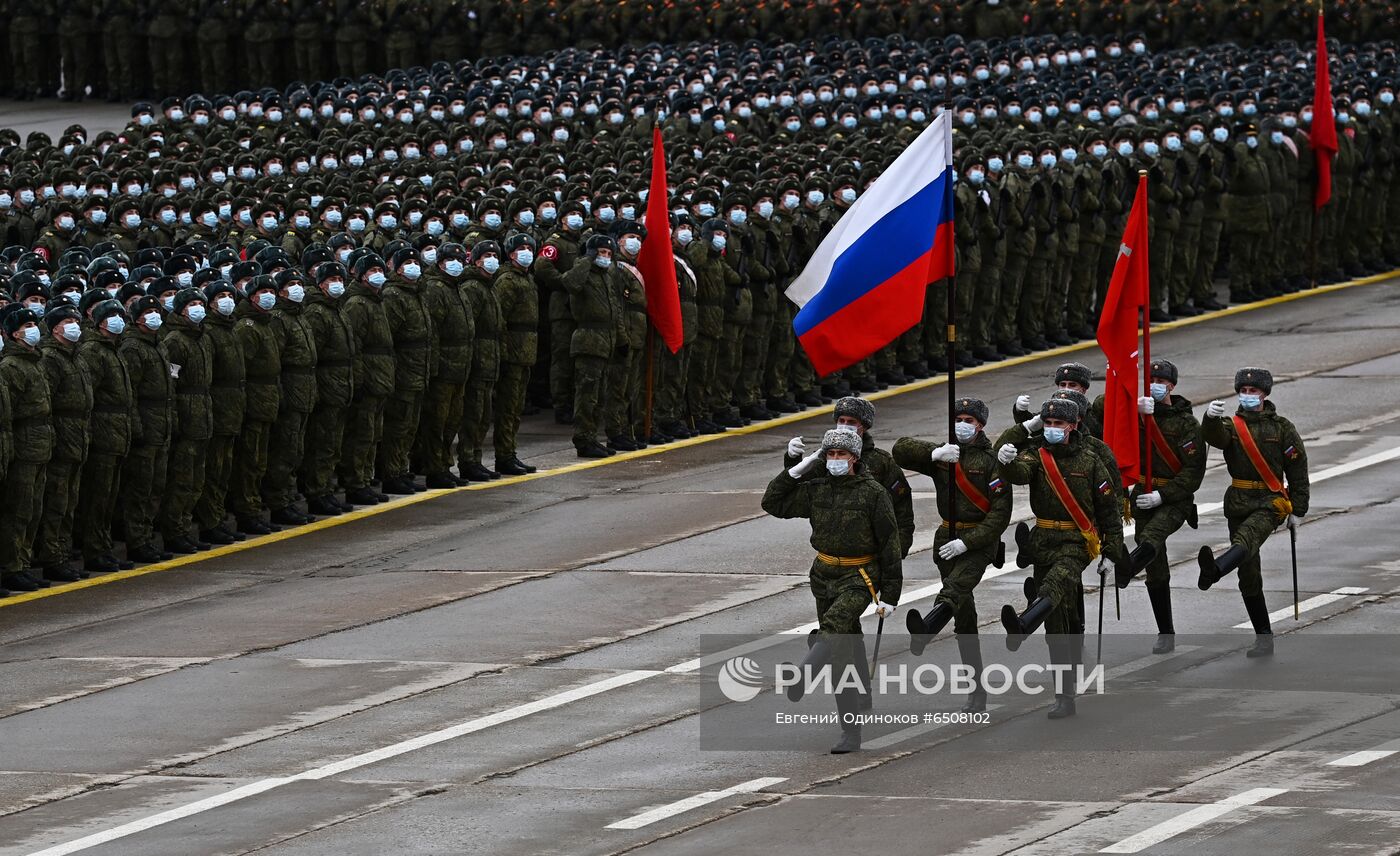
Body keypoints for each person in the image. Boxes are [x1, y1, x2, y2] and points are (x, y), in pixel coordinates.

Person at [762, 428, 902, 754]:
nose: (835, 460)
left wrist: (891, 594)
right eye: (830, 454)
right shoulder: (817, 489)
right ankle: (850, 731)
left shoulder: (872, 493)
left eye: (841, 454)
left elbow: (889, 543)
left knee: (837, 624)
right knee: (843, 654)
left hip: (859, 575)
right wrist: (799, 466)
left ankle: (803, 673)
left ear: (854, 457)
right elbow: (772, 502)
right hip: (824, 575)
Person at [997, 398, 1125, 719]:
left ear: (1073, 426)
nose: (1052, 429)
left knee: (1052, 586)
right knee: (1057, 624)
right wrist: (1006, 459)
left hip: (1076, 541)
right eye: (1048, 424)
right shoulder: (1037, 455)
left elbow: (1109, 511)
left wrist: (1111, 552)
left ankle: (1024, 624)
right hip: (1043, 541)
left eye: (1058, 424)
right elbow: (1018, 471)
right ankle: (1064, 695)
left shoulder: (1091, 459)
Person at [893, 397, 1011, 713]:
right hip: (946, 538)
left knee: (955, 590)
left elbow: (1000, 514)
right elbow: (900, 449)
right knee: (964, 614)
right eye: (958, 418)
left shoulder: (991, 460)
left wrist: (969, 542)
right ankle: (977, 690)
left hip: (978, 542)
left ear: (981, 425)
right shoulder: (946, 455)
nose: (962, 424)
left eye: (969, 420)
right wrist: (934, 454)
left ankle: (927, 628)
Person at [1198, 367, 1310, 658]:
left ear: (1264, 394)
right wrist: (1209, 419)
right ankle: (1263, 636)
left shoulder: (1281, 427)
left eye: (1253, 391)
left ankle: (1216, 569)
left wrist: (1298, 509)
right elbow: (1214, 438)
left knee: (1247, 539)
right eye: (1243, 391)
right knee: (1248, 570)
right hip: (1239, 499)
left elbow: (1297, 469)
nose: (1247, 396)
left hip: (1270, 501)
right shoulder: (1230, 425)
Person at [1116, 359, 1205, 655]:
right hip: (1143, 492)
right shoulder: (1138, 415)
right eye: (1151, 379)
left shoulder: (1186, 424)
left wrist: (1163, 496)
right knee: (1155, 566)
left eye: (1161, 381)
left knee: (1151, 538)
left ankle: (1126, 567)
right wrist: (1134, 414)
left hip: (1173, 499)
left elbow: (1193, 472)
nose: (1155, 384)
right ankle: (1165, 632)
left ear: (1172, 386)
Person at [0, 306, 54, 592]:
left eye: (34, 323)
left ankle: (22, 562)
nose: (32, 328)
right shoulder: (11, 367)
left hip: (39, 443)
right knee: (17, 510)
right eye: (26, 325)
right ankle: (11, 566)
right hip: (23, 445)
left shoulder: (34, 361)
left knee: (33, 508)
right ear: (13, 333)